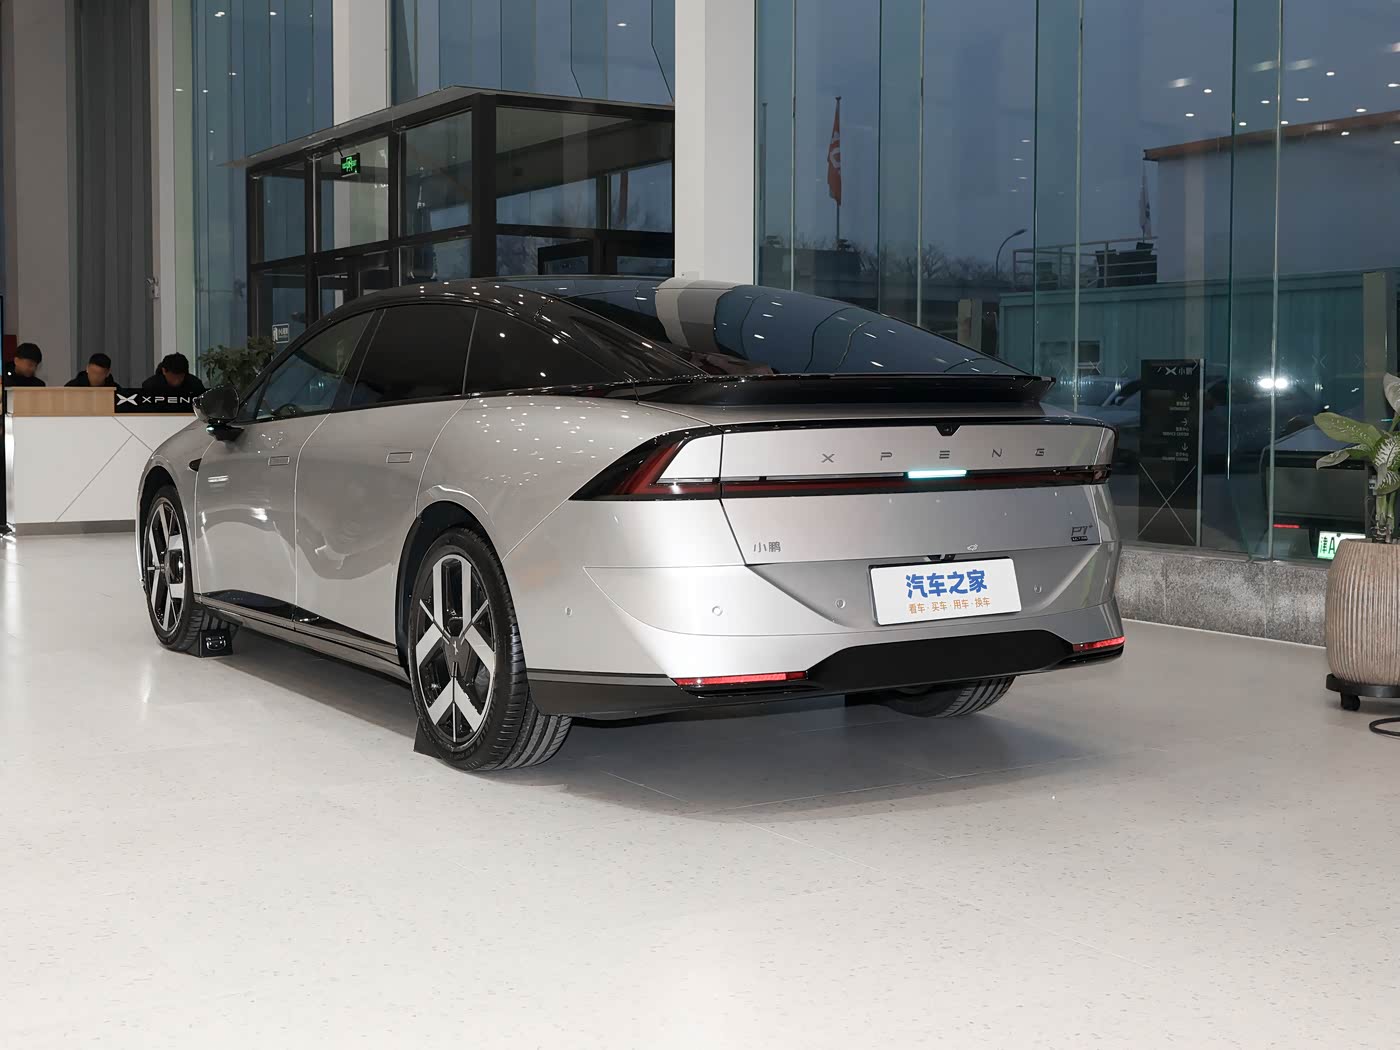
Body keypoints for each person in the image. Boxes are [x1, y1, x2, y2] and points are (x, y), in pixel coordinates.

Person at [141, 353, 206, 397]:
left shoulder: (195, 384)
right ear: (164, 371)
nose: (176, 381)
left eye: (180, 377)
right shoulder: (150, 386)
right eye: (173, 377)